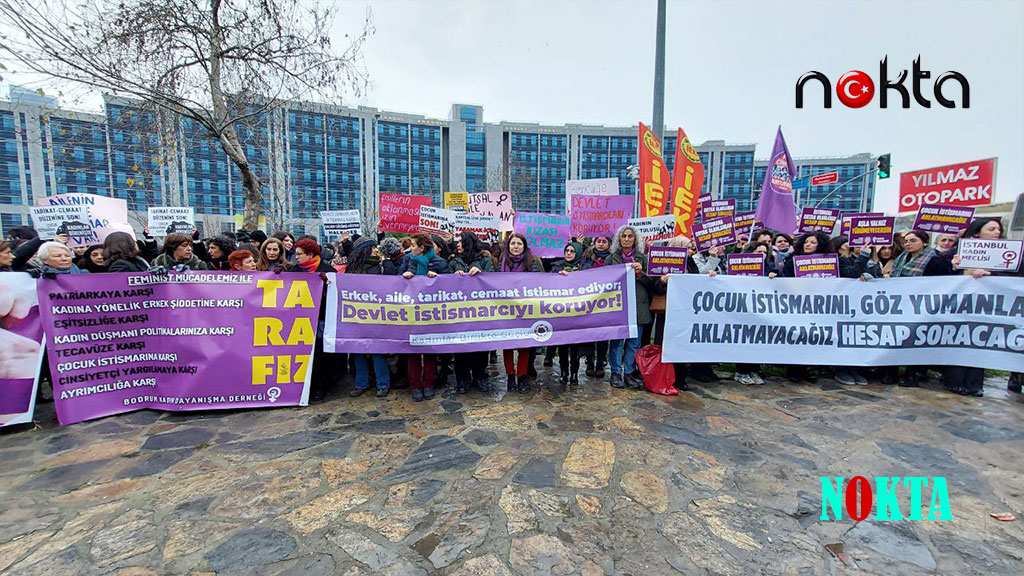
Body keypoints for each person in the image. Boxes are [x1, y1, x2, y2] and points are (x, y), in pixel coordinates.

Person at [945, 218, 1011, 396]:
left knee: (980, 340)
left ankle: (974, 384)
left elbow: (1015, 277)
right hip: (960, 307)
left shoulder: (1009, 254)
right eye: (991, 229)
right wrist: (954, 267)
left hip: (988, 308)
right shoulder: (955, 253)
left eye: (998, 229)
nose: (997, 232)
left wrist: (992, 274)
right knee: (959, 339)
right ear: (976, 233)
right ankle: (954, 380)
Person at [889, 229, 954, 388]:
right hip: (900, 305)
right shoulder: (901, 259)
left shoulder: (934, 261)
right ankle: (892, 372)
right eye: (906, 241)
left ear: (924, 242)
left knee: (916, 341)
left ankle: (913, 374)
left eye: (913, 241)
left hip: (921, 307)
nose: (908, 244)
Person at [400, 234, 449, 401]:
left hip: (431, 312)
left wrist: (438, 280)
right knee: (413, 350)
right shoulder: (407, 260)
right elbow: (395, 282)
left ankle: (428, 383)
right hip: (411, 311)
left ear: (422, 248)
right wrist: (405, 277)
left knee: (429, 350)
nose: (410, 248)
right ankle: (415, 385)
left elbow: (450, 286)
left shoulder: (439, 262)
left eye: (413, 245)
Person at [606, 225, 654, 389]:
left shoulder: (644, 259)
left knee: (634, 342)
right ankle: (615, 372)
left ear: (635, 239)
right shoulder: (611, 258)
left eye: (630, 236)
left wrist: (641, 274)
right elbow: (603, 282)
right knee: (617, 342)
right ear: (619, 239)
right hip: (618, 307)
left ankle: (629, 373)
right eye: (624, 236)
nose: (627, 239)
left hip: (638, 307)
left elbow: (652, 283)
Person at [346, 235, 393, 398]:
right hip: (357, 315)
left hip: (377, 316)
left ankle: (383, 383)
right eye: (372, 247)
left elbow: (392, 283)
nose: (376, 250)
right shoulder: (352, 268)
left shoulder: (380, 266)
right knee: (358, 350)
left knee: (377, 350)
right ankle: (361, 383)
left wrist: (387, 263)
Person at [449, 231, 495, 394]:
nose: (458, 245)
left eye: (461, 242)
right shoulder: (454, 261)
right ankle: (461, 379)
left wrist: (483, 274)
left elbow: (494, 280)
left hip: (481, 313)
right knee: (460, 349)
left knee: (481, 348)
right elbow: (443, 284)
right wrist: (452, 277)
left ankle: (479, 377)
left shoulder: (485, 260)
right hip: (460, 313)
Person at [497, 232, 540, 393]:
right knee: (507, 345)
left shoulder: (531, 262)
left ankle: (522, 377)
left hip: (525, 311)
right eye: (513, 243)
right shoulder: (500, 262)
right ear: (508, 246)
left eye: (519, 244)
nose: (516, 247)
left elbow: (538, 282)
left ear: (524, 247)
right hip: (506, 311)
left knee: (524, 346)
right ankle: (510, 376)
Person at [551, 241, 584, 388]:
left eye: (572, 251)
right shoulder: (556, 267)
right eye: (567, 251)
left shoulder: (585, 268)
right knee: (562, 345)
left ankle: (575, 373)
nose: (569, 253)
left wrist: (573, 277)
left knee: (575, 346)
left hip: (578, 313)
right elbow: (547, 284)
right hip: (560, 313)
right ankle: (564, 372)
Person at [581, 235, 611, 378]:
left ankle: (600, 362)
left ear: (609, 244)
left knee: (603, 334)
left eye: (604, 241)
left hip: (606, 301)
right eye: (598, 241)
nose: (600, 244)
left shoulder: (612, 258)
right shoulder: (587, 257)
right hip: (590, 301)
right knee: (590, 333)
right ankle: (590, 362)